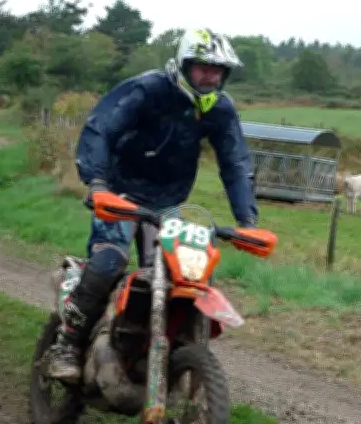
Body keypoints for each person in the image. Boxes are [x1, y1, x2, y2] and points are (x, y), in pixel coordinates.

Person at [46, 28, 259, 383]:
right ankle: (66, 344)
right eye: (202, 67)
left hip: (168, 202)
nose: (210, 75)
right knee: (110, 260)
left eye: (218, 70)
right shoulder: (148, 89)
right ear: (184, 65)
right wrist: (97, 183)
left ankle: (154, 354)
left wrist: (247, 220)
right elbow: (100, 130)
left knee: (178, 278)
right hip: (119, 192)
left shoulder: (220, 109)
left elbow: (235, 162)